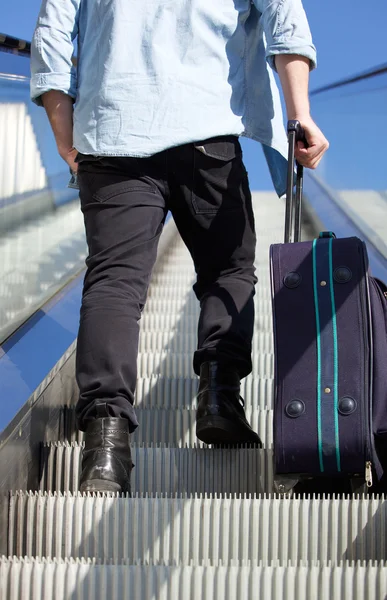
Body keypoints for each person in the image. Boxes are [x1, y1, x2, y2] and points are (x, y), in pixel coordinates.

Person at [31, 0, 329, 494]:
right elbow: (286, 22)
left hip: (111, 135)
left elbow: (51, 37)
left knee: (114, 285)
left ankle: (105, 446)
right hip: (205, 132)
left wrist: (66, 136)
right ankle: (219, 396)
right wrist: (301, 115)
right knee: (228, 271)